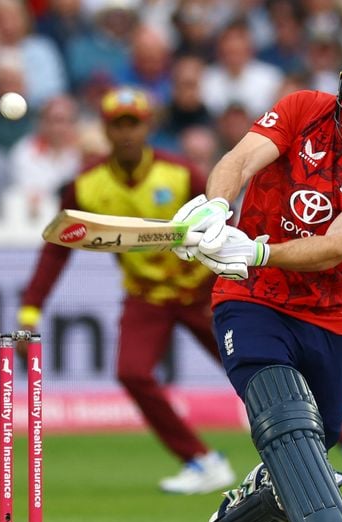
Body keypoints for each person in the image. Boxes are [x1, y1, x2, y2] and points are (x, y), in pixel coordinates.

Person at [171, 40, 342, 522]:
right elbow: (238, 161)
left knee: (310, 443)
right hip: (250, 297)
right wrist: (217, 208)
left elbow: (336, 246)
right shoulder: (303, 108)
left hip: (325, 313)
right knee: (283, 412)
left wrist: (258, 250)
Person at [17, 86, 236, 495]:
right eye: (118, 125)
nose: (126, 134)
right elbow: (57, 249)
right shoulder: (87, 185)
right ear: (105, 130)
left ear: (147, 127)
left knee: (249, 367)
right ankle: (202, 461)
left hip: (202, 292)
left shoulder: (179, 173)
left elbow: (226, 226)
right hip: (146, 295)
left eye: (133, 124)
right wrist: (30, 311)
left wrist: (227, 284)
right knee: (131, 373)